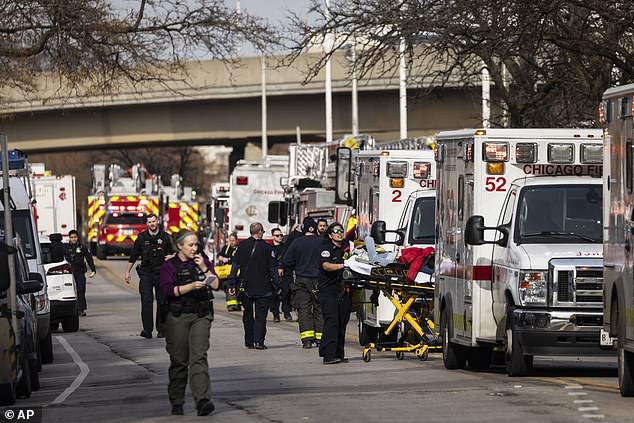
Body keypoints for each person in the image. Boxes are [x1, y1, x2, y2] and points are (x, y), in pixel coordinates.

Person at [159, 229, 218, 416]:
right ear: (180, 246)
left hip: (200, 315)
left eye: (196, 245)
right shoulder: (169, 266)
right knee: (179, 360)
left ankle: (203, 400)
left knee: (199, 357)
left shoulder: (201, 262)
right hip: (178, 316)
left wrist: (203, 269)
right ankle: (177, 401)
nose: (195, 248)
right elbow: (168, 291)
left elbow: (216, 284)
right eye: (190, 245)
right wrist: (191, 286)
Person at [227, 222, 279, 350]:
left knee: (248, 314)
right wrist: (278, 285)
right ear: (260, 231)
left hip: (246, 287)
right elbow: (273, 269)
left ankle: (249, 341)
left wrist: (232, 283)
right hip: (264, 287)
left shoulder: (242, 246)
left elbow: (234, 266)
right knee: (261, 315)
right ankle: (259, 341)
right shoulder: (268, 249)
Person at [124, 214, 174, 339]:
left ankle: (162, 330)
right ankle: (147, 330)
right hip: (146, 273)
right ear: (147, 224)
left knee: (162, 302)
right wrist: (127, 272)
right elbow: (134, 255)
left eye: (154, 221)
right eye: (150, 222)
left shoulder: (166, 237)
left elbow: (177, 252)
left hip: (162, 273)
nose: (152, 224)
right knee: (146, 300)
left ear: (157, 221)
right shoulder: (141, 238)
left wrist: (172, 256)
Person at [281, 218, 324, 348]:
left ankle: (307, 340)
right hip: (319, 280)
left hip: (301, 280)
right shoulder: (322, 242)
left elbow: (286, 260)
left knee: (304, 309)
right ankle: (320, 339)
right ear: (315, 229)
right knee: (319, 309)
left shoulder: (296, 243)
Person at [318, 223, 352, 364]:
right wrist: (344, 265)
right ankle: (328, 355)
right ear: (330, 234)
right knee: (332, 321)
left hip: (344, 290)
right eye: (336, 231)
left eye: (341, 231)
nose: (339, 233)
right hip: (328, 290)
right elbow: (326, 265)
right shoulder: (326, 249)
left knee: (342, 322)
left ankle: (339, 353)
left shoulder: (347, 248)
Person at [64, 229, 96, 317]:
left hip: (79, 271)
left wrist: (93, 270)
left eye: (75, 237)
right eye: (71, 237)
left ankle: (80, 309)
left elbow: (89, 258)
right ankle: (70, 310)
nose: (73, 239)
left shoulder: (82, 247)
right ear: (69, 238)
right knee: (69, 291)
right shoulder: (66, 248)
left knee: (81, 290)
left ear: (77, 238)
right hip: (69, 273)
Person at [269, 227, 290, 323]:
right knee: (274, 295)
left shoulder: (285, 247)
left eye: (281, 235)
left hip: (285, 273)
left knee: (286, 292)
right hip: (273, 274)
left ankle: (286, 312)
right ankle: (275, 314)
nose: (280, 237)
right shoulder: (269, 248)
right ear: (272, 236)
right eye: (277, 235)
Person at [217, 233, 240, 311]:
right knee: (228, 286)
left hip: (237, 272)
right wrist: (223, 259)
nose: (231, 242)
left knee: (238, 288)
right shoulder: (226, 248)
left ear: (236, 240)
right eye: (230, 240)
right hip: (227, 272)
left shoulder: (239, 249)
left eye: (233, 240)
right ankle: (231, 305)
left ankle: (238, 304)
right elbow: (219, 257)